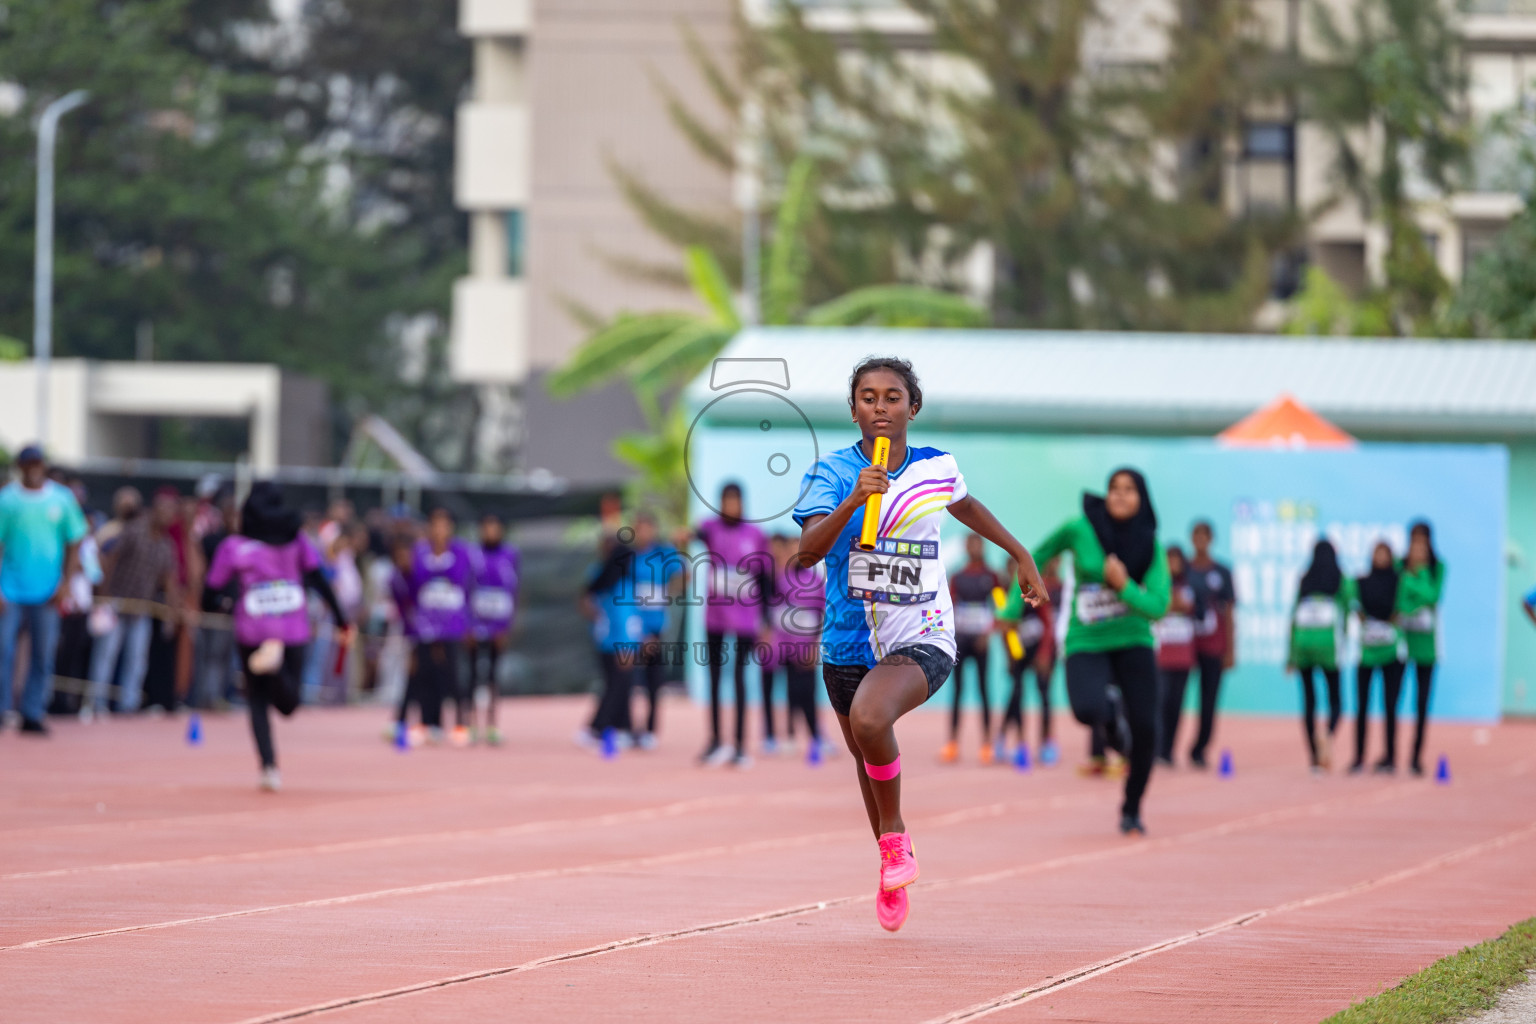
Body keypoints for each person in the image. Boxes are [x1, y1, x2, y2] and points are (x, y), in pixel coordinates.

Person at [794, 356, 1047, 933]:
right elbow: (806, 553)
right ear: (853, 408)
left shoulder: (937, 466)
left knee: (870, 717)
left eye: (891, 397)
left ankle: (894, 840)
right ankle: (892, 851)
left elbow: (966, 505)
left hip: (923, 633)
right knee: (866, 751)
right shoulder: (831, 472)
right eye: (867, 397)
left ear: (914, 407)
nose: (880, 407)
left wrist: (1020, 553)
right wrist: (854, 501)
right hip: (847, 639)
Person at [1017, 468, 1171, 835]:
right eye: (1113, 489)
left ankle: (1132, 808)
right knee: (1087, 708)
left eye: (1129, 490)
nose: (1119, 495)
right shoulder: (1080, 529)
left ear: (1142, 498)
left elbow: (1159, 606)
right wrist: (1013, 604)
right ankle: (1112, 722)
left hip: (1134, 638)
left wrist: (1124, 588)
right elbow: (1034, 554)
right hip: (1087, 639)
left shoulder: (1151, 545)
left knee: (1148, 732)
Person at [205, 483, 349, 791]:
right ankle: (278, 669)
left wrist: (226, 603)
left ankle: (269, 767)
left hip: (252, 627)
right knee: (289, 704)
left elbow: (211, 591)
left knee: (256, 700)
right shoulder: (295, 540)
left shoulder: (234, 546)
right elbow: (316, 578)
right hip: (293, 627)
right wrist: (340, 617)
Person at [0, 446, 87, 734]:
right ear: (20, 467)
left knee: (42, 654)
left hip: (48, 591)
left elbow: (75, 540)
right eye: (28, 464)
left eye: (38, 463)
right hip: (10, 589)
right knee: (4, 651)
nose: (34, 469)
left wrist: (65, 583)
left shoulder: (61, 498)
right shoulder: (7, 500)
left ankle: (32, 712)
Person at [693, 483, 771, 767]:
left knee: (739, 678)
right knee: (714, 678)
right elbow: (690, 535)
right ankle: (715, 741)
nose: (731, 506)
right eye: (726, 501)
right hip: (715, 617)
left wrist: (766, 620)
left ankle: (739, 745)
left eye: (735, 501)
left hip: (746, 620)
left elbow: (764, 580)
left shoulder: (755, 535)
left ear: (742, 502)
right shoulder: (710, 528)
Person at [88, 488, 181, 716]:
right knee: (106, 655)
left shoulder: (165, 544)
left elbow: (168, 579)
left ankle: (127, 704)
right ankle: (96, 703)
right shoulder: (133, 532)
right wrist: (104, 596)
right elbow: (109, 558)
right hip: (117, 603)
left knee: (137, 659)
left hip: (142, 609)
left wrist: (170, 612)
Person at [404, 509, 475, 743]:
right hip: (425, 622)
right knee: (425, 673)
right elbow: (415, 583)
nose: (439, 530)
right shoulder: (420, 552)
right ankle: (428, 722)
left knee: (452, 674)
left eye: (443, 526)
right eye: (435, 525)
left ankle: (461, 723)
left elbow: (462, 579)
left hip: (452, 623)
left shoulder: (460, 552)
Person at [1288, 540, 1352, 773]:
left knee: (1309, 702)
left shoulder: (1305, 580)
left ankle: (1314, 756)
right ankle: (1328, 732)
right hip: (1329, 647)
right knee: (1335, 700)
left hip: (1304, 646)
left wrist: (1291, 655)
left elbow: (1293, 618)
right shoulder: (1341, 581)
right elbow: (1347, 610)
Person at [763, 532, 827, 759]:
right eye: (790, 549)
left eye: (797, 549)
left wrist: (814, 645)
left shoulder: (816, 582)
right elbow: (772, 611)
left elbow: (821, 615)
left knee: (807, 693)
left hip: (806, 648)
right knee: (789, 691)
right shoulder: (779, 578)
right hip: (784, 648)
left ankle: (816, 737)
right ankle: (786, 735)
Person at [942, 533, 1002, 765]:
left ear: (982, 546)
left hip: (981, 642)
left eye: (978, 543)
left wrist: (989, 632)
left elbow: (1001, 607)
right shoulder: (958, 577)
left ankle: (987, 744)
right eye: (970, 543)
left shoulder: (992, 577)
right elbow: (949, 607)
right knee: (957, 691)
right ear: (966, 547)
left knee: (984, 690)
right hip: (961, 641)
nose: (974, 547)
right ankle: (952, 743)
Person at [579, 533, 642, 749]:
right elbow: (622, 616)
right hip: (618, 642)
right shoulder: (617, 581)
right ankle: (598, 726)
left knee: (620, 686)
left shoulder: (604, 576)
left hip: (606, 639)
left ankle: (623, 726)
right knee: (617, 686)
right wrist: (626, 646)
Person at [997, 555, 1059, 765]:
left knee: (1044, 693)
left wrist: (1044, 654)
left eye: (1015, 569)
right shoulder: (1002, 593)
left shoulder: (1031, 589)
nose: (1012, 574)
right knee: (1016, 694)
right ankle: (1019, 743)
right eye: (1009, 569)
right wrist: (1010, 656)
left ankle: (1046, 743)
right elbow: (1004, 628)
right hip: (1019, 652)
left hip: (1039, 649)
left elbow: (1048, 623)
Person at [630, 511, 682, 750]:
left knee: (653, 680)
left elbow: (683, 574)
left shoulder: (663, 554)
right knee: (629, 679)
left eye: (647, 528)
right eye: (639, 528)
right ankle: (629, 728)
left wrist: (669, 595)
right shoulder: (628, 556)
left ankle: (650, 729)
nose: (643, 533)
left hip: (656, 627)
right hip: (630, 628)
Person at [1186, 521, 1235, 769]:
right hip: (1184, 645)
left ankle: (1199, 748)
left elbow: (1229, 613)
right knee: (1171, 697)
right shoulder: (1183, 570)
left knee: (1208, 700)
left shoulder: (1222, 572)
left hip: (1213, 646)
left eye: (1205, 536)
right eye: (1196, 535)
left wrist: (1230, 649)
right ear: (1191, 539)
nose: (1200, 540)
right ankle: (1163, 748)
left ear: (1211, 539)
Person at [1351, 540, 1404, 774]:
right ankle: (1359, 756)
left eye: (1385, 554)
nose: (1380, 557)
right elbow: (1355, 606)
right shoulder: (1361, 582)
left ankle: (1390, 757)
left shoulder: (1399, 582)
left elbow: (1403, 608)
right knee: (1362, 706)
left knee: (1390, 706)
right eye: (1376, 553)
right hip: (1367, 650)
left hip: (1391, 652)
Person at [468, 513, 520, 745]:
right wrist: (466, 625)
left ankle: (491, 724)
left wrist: (506, 626)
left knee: (492, 677)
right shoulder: (472, 555)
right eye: (486, 527)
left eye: (494, 527)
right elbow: (465, 588)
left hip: (498, 625)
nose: (490, 532)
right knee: (471, 675)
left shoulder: (510, 554)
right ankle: (469, 723)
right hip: (474, 623)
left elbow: (514, 590)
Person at [1397, 521, 1445, 777]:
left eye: (1422, 540)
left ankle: (1416, 756)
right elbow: (1401, 602)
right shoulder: (1399, 566)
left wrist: (1416, 576)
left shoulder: (1437, 568)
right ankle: (1391, 755)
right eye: (1413, 539)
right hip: (1403, 643)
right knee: (1393, 700)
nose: (1418, 546)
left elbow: (1433, 596)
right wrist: (1409, 580)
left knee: (1422, 703)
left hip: (1428, 645)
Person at [1154, 544, 1202, 767]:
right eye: (1169, 559)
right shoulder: (1158, 583)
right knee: (1160, 703)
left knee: (1176, 705)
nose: (1173, 564)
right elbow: (1161, 607)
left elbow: (1193, 608)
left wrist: (1177, 605)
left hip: (1183, 657)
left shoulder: (1189, 584)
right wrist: (1175, 604)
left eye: (1176, 559)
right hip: (1162, 656)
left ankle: (1168, 751)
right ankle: (1156, 748)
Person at [192, 492, 240, 709]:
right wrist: (216, 600)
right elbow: (208, 576)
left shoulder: (242, 543)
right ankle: (207, 696)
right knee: (211, 654)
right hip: (215, 606)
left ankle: (220, 695)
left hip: (235, 609)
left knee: (226, 656)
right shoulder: (213, 541)